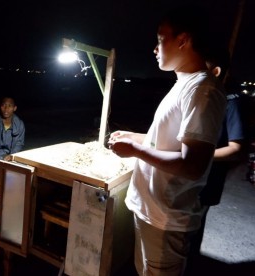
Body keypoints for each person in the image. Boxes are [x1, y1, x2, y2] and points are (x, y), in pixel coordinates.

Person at [107, 6, 227, 276]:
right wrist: (133, 137)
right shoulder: (184, 84)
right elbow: (168, 142)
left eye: (160, 39)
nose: (155, 48)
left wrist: (135, 150)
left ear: (183, 40)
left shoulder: (203, 90)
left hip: (166, 218)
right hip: (151, 212)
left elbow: (193, 163)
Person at [187, 47, 245, 265]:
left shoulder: (230, 101)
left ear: (216, 71)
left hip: (207, 181)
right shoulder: (197, 96)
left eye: (200, 68)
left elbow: (236, 148)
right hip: (186, 178)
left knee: (192, 233)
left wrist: (198, 157)